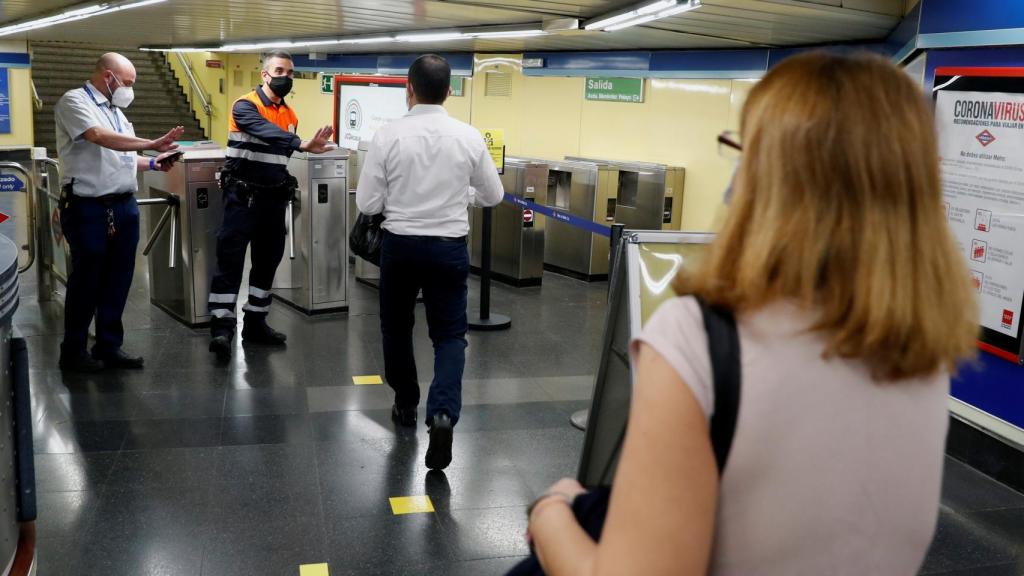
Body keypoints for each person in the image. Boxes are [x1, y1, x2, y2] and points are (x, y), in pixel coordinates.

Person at [525, 52, 979, 575]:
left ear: (774, 179)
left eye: (745, 150)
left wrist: (551, 510)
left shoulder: (700, 337)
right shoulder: (923, 347)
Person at [356, 54, 504, 471]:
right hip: (448, 248)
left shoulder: (387, 136)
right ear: (450, 91)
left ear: (409, 88)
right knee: (450, 335)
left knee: (397, 327)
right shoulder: (469, 136)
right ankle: (441, 414)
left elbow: (368, 202)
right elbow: (493, 196)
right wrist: (464, 196)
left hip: (400, 246)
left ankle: (405, 402)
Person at [54, 52, 184, 373]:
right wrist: (152, 142)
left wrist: (153, 161)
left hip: (123, 205)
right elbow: (98, 137)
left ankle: (109, 346)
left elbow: (124, 156)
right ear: (108, 77)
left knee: (119, 278)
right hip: (87, 207)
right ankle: (73, 351)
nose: (130, 90)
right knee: (87, 279)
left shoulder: (117, 113)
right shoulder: (74, 102)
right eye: (127, 83)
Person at [207, 50, 334, 359]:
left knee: (267, 263)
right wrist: (301, 143)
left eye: (290, 73)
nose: (285, 77)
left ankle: (255, 322)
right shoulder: (245, 105)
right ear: (264, 74)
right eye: (279, 71)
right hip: (242, 198)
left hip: (272, 200)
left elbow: (278, 154)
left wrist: (297, 146)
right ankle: (222, 328)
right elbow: (262, 131)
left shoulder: (290, 115)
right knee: (231, 260)